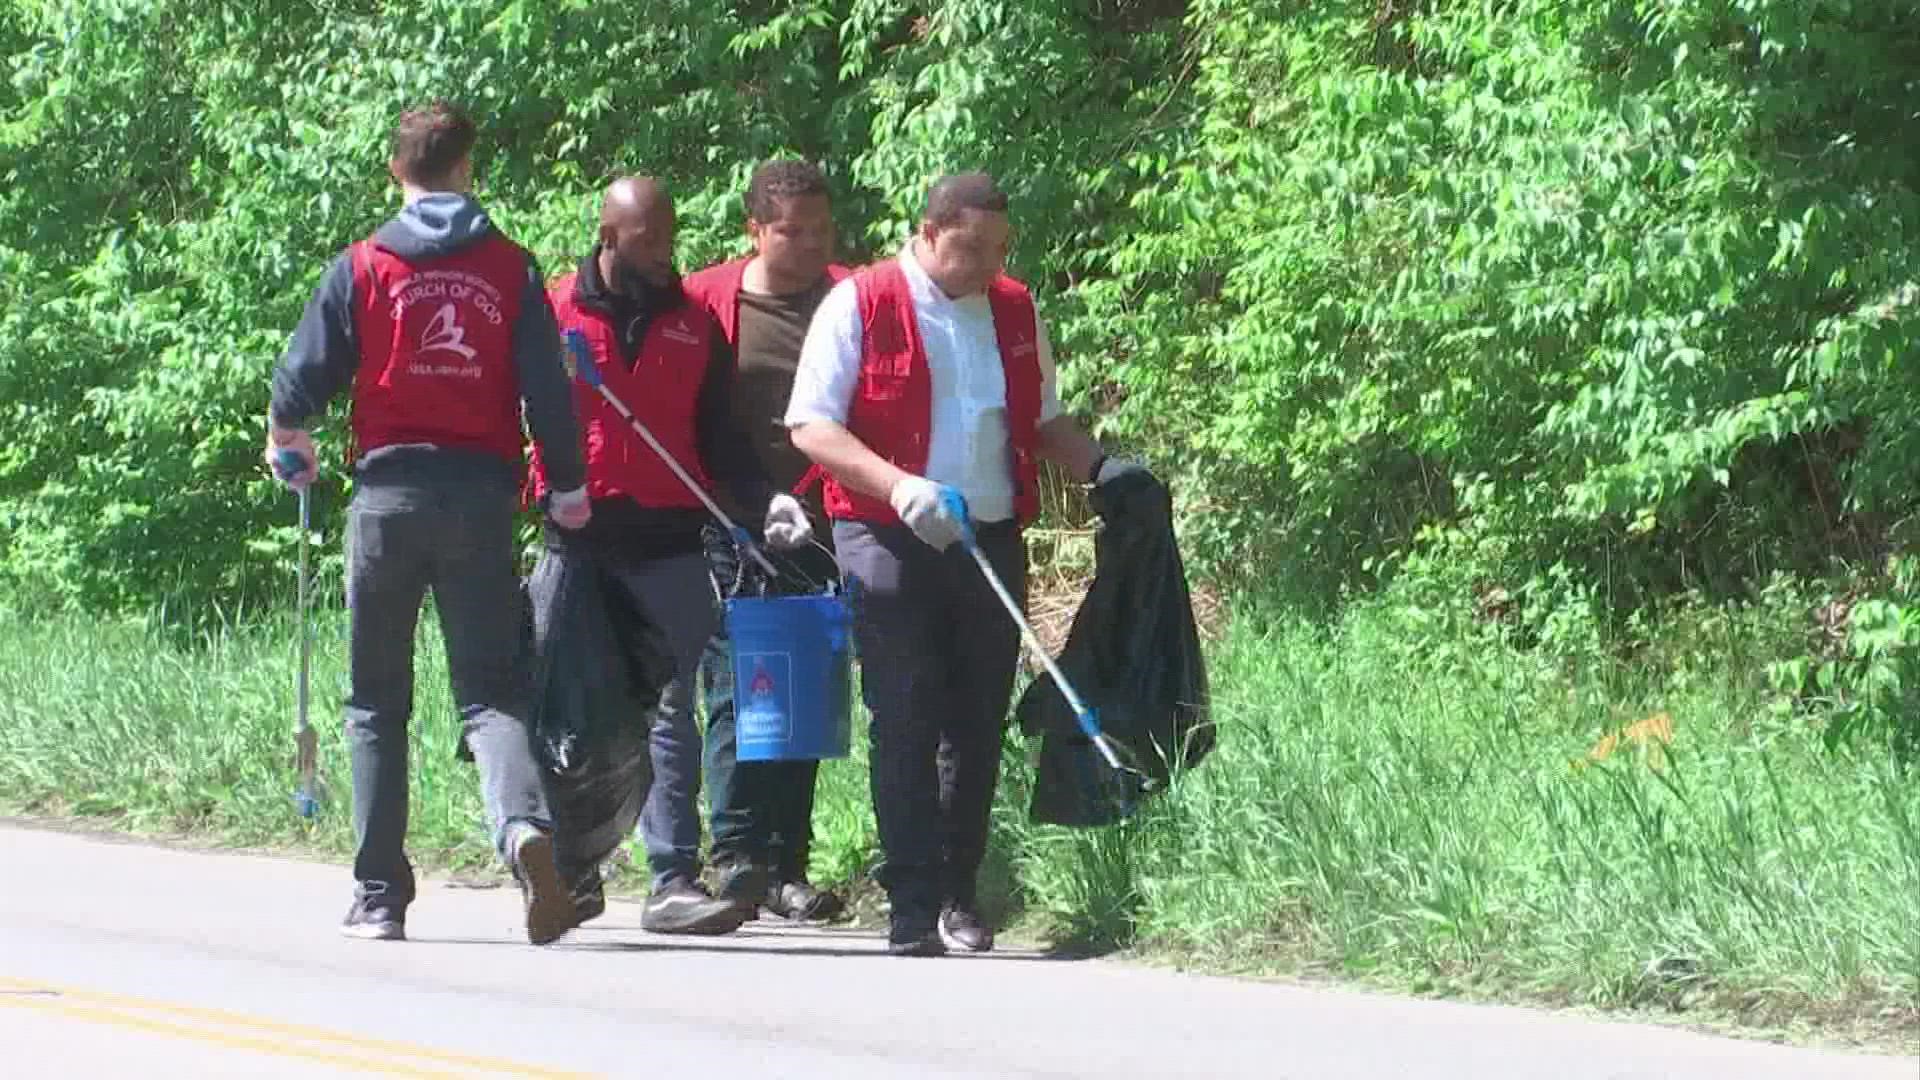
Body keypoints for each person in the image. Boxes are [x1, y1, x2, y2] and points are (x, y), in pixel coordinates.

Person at [787, 171, 1149, 957]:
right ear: (927, 233)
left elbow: (1044, 420)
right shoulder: (862, 302)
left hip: (987, 535)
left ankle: (960, 892)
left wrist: (1106, 470)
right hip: (886, 534)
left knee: (976, 720)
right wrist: (898, 484)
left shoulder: (1016, 310)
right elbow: (812, 428)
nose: (986, 264)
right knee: (906, 714)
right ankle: (911, 900)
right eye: (969, 248)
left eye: (999, 250)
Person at [264, 100, 590, 946]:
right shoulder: (510, 269)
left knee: (376, 701)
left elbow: (300, 379)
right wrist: (568, 485)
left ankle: (379, 895)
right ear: (467, 169)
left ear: (395, 173)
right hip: (481, 498)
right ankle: (524, 831)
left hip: (387, 500)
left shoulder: (365, 264)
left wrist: (285, 438)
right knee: (490, 692)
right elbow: (547, 392)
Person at [525, 176, 809, 935]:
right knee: (571, 720)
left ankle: (672, 878)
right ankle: (573, 875)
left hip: (670, 544)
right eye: (649, 239)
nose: (665, 253)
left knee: (670, 711)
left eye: (670, 236)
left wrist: (764, 500)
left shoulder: (692, 326)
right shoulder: (552, 315)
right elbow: (504, 412)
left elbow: (721, 439)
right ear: (609, 235)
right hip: (577, 543)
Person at [681, 159, 849, 922]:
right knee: (738, 686)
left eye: (820, 228)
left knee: (808, 687)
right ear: (754, 230)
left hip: (821, 515)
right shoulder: (709, 299)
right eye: (791, 231)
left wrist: (817, 498)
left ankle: (788, 864)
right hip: (728, 517)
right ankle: (739, 857)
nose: (809, 243)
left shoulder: (849, 297)